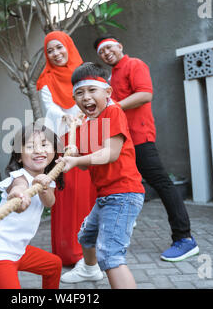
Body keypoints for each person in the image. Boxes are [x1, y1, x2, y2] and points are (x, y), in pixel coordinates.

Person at [94, 35, 199, 262]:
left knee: (162, 183)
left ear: (120, 46)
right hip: (122, 140)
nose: (106, 53)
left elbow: (145, 94)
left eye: (109, 47)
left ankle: (185, 239)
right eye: (101, 52)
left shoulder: (134, 64)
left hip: (139, 136)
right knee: (125, 183)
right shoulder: (111, 77)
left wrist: (112, 107)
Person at [57, 62, 144, 288]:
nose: (86, 97)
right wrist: (73, 153)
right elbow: (87, 166)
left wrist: (76, 160)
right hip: (106, 195)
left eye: (91, 90)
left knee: (110, 255)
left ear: (107, 92)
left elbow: (111, 153)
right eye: (79, 93)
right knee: (86, 236)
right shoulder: (87, 123)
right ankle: (89, 270)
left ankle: (97, 267)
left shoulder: (113, 111)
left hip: (123, 193)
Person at [36, 30, 97, 266]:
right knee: (66, 193)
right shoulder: (46, 80)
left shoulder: (86, 73)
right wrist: (70, 117)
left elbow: (98, 99)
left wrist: (86, 113)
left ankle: (91, 251)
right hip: (64, 143)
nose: (56, 53)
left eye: (59, 47)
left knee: (89, 193)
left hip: (90, 141)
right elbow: (50, 109)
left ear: (68, 47)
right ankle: (68, 251)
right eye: (50, 50)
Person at [0, 123, 63, 289]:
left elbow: (50, 202)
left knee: (54, 265)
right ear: (18, 157)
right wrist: (19, 196)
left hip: (19, 249)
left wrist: (44, 187)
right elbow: (19, 188)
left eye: (44, 145)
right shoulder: (18, 176)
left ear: (54, 151)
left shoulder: (47, 179)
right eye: (30, 146)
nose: (38, 150)